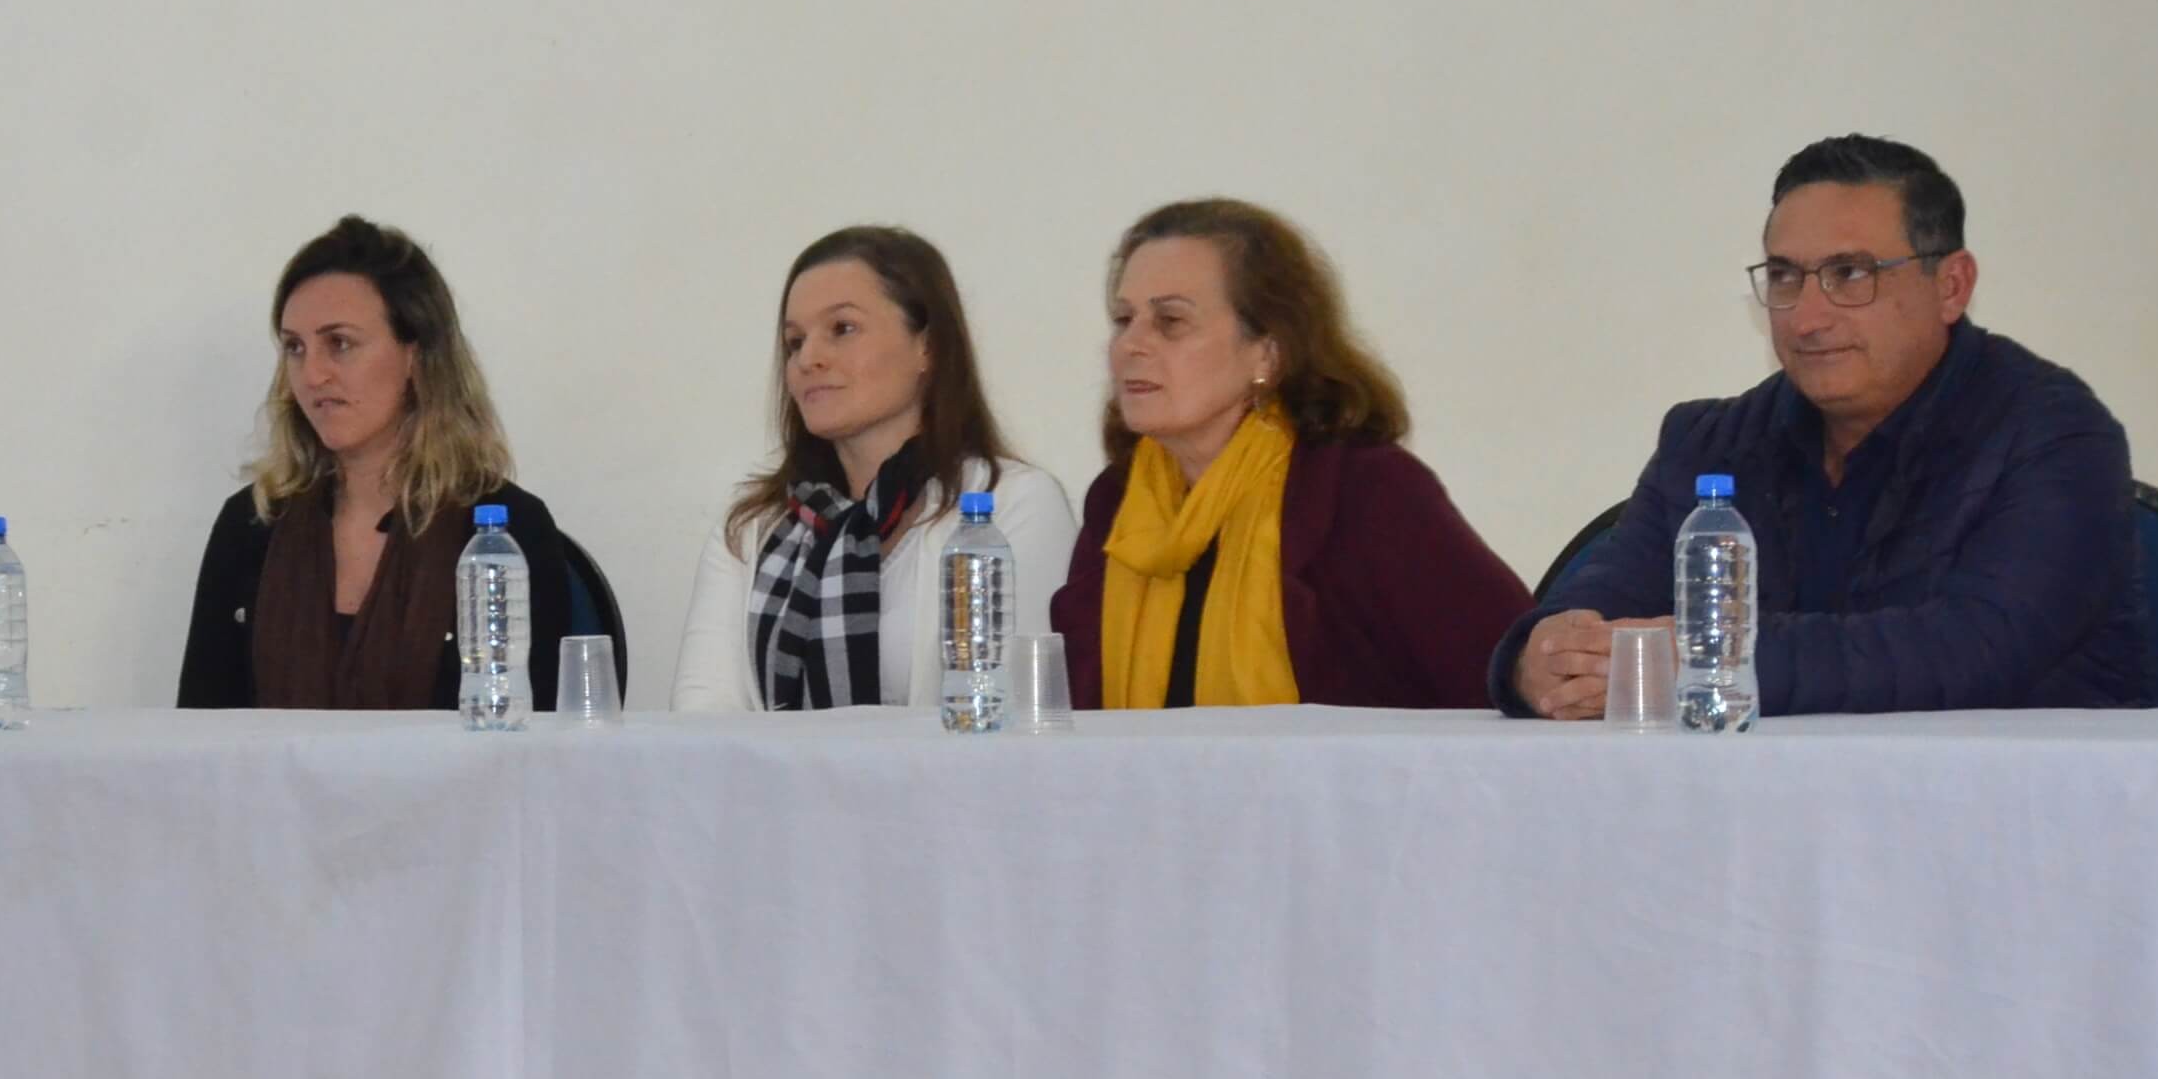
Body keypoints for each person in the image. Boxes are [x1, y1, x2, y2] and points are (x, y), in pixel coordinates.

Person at [1497, 135, 2154, 718]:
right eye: (1785, 277)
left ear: (1952, 285)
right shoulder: (1710, 443)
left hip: (2008, 826)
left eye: (1849, 275)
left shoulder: (2054, 436)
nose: (1807, 317)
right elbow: (1599, 602)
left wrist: (1706, 660)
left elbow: (1972, 649)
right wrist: (1537, 658)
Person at [1052, 198, 1525, 709]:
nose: (1130, 345)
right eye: (1124, 319)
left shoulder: (1364, 491)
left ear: (1268, 353)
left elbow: (1508, 672)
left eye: (1170, 321)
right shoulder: (1120, 503)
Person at [176, 217, 580, 712]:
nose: (312, 374)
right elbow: (199, 740)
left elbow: (538, 756)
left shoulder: (506, 530)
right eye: (294, 348)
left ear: (416, 354)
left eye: (339, 343)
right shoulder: (251, 525)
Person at [672, 226, 1079, 713]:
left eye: (842, 329)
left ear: (927, 346)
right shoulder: (751, 529)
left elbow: (1010, 713)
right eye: (794, 342)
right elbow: (702, 721)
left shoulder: (1012, 504)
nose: (809, 359)